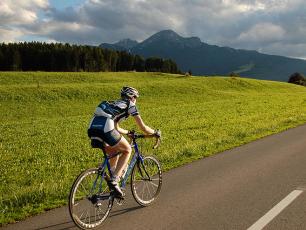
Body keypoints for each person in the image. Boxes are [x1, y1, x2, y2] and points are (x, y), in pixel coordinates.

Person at [87, 86, 160, 198]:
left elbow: (115, 126)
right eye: (135, 97)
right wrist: (154, 133)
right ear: (132, 97)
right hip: (106, 127)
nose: (136, 100)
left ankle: (112, 181)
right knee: (127, 150)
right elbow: (143, 127)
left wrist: (127, 132)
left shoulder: (113, 104)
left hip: (93, 128)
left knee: (114, 152)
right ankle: (115, 180)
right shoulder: (130, 105)